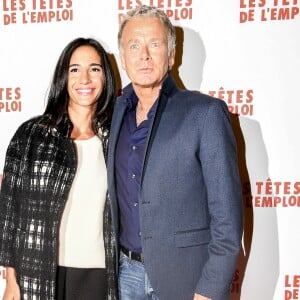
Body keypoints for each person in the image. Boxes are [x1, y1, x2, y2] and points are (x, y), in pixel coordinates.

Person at [107, 5, 244, 300]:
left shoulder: (204, 114)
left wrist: (209, 290)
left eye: (154, 44)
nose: (144, 55)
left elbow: (228, 219)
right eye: (134, 45)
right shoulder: (115, 113)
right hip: (124, 277)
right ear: (122, 58)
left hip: (185, 282)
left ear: (170, 55)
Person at [0, 37, 117, 300]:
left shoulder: (117, 138)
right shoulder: (31, 135)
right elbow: (9, 213)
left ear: (105, 78)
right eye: (74, 69)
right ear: (63, 77)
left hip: (98, 273)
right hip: (39, 271)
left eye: (94, 69)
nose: (84, 78)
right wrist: (11, 280)